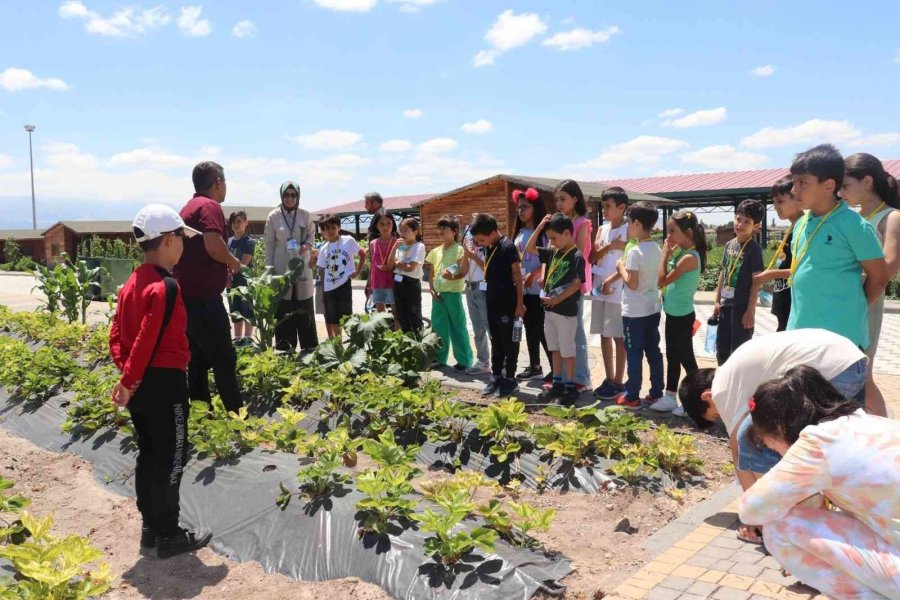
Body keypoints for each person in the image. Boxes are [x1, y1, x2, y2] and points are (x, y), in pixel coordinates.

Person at [678, 328, 867, 544]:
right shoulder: (736, 370)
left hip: (832, 370)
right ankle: (845, 513)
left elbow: (738, 448)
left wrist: (752, 513)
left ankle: (786, 520)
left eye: (715, 414)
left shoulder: (721, 389)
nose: (722, 416)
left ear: (706, 396)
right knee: (832, 443)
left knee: (752, 442)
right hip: (852, 359)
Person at [739, 366, 900, 599]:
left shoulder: (819, 442)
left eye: (770, 445)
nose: (777, 454)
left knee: (779, 527)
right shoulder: (870, 422)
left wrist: (800, 497)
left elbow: (751, 510)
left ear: (780, 428)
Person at [110, 204, 211, 558]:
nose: (184, 244)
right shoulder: (165, 286)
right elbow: (147, 337)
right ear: (168, 239)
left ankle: (151, 528)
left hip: (141, 385)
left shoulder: (130, 284)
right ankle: (169, 533)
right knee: (173, 455)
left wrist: (129, 377)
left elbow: (117, 334)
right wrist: (129, 378)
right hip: (165, 382)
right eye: (182, 237)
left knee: (150, 453)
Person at [787, 144, 888, 416]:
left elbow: (879, 278)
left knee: (841, 418)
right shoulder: (801, 223)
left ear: (829, 185)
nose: (794, 190)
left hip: (840, 345)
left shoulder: (853, 225)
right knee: (806, 418)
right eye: (793, 182)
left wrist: (851, 308)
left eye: (802, 183)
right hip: (801, 338)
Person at [173, 161, 243, 412]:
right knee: (224, 359)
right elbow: (213, 244)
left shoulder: (187, 208)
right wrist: (232, 261)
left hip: (187, 299)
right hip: (204, 301)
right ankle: (237, 418)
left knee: (198, 361)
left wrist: (219, 270)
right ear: (218, 182)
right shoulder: (210, 206)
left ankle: (202, 414)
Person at [841, 152, 899, 417]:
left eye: (845, 185)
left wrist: (860, 301)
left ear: (867, 182)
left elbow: (888, 267)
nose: (841, 193)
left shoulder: (891, 217)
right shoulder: (852, 217)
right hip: (842, 304)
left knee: (862, 374)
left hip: (866, 302)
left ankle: (884, 430)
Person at [525, 213, 585, 405]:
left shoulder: (576, 256)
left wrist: (557, 299)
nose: (551, 242)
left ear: (567, 233)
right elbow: (529, 248)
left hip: (565, 312)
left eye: (554, 238)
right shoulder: (553, 252)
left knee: (568, 351)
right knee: (555, 349)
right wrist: (540, 225)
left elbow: (576, 284)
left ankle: (570, 386)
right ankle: (557, 383)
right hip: (549, 310)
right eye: (549, 238)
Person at [612, 201, 664, 409]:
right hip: (652, 308)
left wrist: (620, 267)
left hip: (634, 312)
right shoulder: (656, 248)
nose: (627, 227)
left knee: (633, 352)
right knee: (653, 351)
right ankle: (656, 392)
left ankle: (632, 395)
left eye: (629, 222)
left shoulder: (635, 251)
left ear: (637, 224)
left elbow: (632, 284)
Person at [653, 210, 706, 413]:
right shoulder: (684, 253)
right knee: (673, 356)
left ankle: (696, 401)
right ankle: (670, 396)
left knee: (687, 359)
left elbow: (661, 281)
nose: (669, 236)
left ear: (688, 233)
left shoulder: (689, 257)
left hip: (682, 316)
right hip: (673, 314)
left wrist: (665, 254)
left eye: (672, 231)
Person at [470, 213, 524, 398]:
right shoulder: (489, 247)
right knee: (496, 340)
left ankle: (510, 378)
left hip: (507, 303)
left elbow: (518, 276)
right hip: (491, 302)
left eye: (482, 240)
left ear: (493, 232)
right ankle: (496, 375)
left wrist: (520, 304)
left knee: (510, 342)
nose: (480, 244)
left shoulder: (508, 247)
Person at [265, 181, 318, 352]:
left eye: (293, 195)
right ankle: (285, 349)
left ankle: (309, 350)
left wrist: (307, 245)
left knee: (305, 306)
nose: (290, 198)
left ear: (298, 196)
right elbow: (269, 245)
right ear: (281, 196)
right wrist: (269, 270)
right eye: (286, 195)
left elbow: (311, 234)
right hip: (281, 268)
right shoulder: (273, 216)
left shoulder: (305, 215)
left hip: (302, 267)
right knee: (283, 309)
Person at [713, 199, 764, 365]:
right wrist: (717, 301)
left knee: (739, 352)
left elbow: (757, 282)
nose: (740, 224)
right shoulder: (729, 245)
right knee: (721, 349)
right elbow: (723, 272)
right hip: (725, 306)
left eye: (747, 222)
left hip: (742, 308)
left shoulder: (754, 250)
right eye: (738, 219)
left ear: (756, 226)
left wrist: (750, 311)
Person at [590, 187, 629, 401]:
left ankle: (619, 381)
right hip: (600, 288)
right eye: (603, 205)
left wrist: (621, 245)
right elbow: (592, 257)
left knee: (617, 336)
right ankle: (609, 377)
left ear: (622, 207)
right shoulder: (602, 229)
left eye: (608, 206)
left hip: (617, 290)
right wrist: (608, 247)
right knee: (604, 334)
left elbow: (631, 259)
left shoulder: (629, 229)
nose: (604, 210)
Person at [554, 180, 592, 393]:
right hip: (559, 284)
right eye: (557, 200)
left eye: (563, 199)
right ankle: (563, 376)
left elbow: (577, 252)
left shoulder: (582, 223)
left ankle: (582, 378)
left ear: (575, 199)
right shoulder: (560, 223)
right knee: (561, 333)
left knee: (576, 332)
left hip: (574, 283)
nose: (559, 203)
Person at [751, 176, 802, 332]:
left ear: (798, 198)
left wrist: (771, 274)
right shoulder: (793, 226)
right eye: (774, 202)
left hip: (794, 307)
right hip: (785, 303)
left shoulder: (804, 228)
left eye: (780, 201)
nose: (776, 207)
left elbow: (804, 269)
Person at [512, 188, 551, 381]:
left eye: (525, 207)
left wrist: (535, 273)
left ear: (535, 208)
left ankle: (556, 368)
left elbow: (549, 258)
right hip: (523, 289)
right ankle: (535, 365)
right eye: (519, 207)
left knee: (542, 330)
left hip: (538, 289)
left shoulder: (544, 233)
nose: (521, 211)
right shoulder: (519, 232)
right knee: (529, 328)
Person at [425, 215, 473, 370]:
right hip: (437, 295)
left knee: (458, 327)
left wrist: (453, 277)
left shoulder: (459, 250)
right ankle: (439, 358)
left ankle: (464, 361)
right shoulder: (435, 251)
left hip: (453, 294)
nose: (440, 231)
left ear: (454, 231)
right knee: (438, 327)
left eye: (444, 228)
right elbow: (431, 272)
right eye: (439, 228)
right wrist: (431, 290)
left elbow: (463, 271)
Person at [314, 214, 365, 339]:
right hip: (328, 287)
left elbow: (362, 254)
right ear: (323, 231)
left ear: (339, 227)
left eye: (333, 227)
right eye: (327, 229)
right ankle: (338, 343)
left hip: (344, 284)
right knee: (333, 317)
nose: (330, 231)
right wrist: (322, 291)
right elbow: (322, 270)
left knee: (346, 316)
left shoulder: (348, 240)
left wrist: (357, 271)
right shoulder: (323, 249)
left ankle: (354, 340)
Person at [462, 214, 491, 374]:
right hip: (469, 286)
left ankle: (502, 360)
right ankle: (483, 361)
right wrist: (466, 254)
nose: (473, 239)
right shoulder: (470, 247)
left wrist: (473, 255)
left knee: (489, 325)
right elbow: (464, 269)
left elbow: (487, 268)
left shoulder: (487, 247)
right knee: (477, 327)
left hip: (482, 286)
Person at [387, 217, 426, 333]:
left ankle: (418, 338)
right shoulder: (400, 246)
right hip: (398, 282)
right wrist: (394, 248)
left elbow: (410, 267)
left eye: (406, 230)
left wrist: (398, 264)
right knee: (401, 314)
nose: (402, 234)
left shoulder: (419, 246)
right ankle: (406, 339)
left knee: (414, 313)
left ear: (415, 232)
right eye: (401, 230)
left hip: (411, 283)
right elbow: (390, 265)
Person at [226, 211, 255, 344]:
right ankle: (238, 339)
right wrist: (226, 277)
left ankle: (248, 339)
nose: (236, 225)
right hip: (231, 282)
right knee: (235, 311)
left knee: (247, 311)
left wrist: (229, 274)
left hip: (244, 282)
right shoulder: (228, 241)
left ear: (246, 223)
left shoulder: (249, 242)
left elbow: (244, 263)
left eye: (239, 221)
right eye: (233, 222)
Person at [369, 211, 398, 313]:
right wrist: (369, 283)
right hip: (377, 281)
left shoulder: (397, 242)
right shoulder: (373, 243)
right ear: (376, 226)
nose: (385, 227)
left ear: (393, 224)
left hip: (393, 280)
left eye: (388, 223)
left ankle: (396, 324)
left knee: (396, 310)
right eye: (381, 224)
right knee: (380, 312)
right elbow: (372, 264)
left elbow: (401, 261)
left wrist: (392, 265)